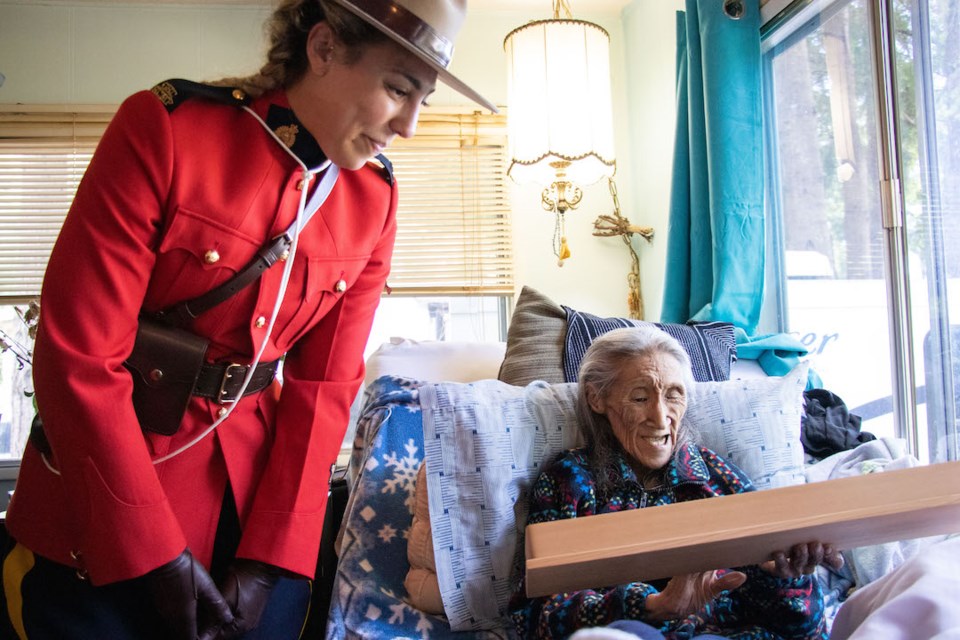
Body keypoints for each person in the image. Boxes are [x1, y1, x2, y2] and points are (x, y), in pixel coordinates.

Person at [1, 1, 495, 639]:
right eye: (398, 89)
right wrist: (151, 551)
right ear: (321, 49)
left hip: (252, 523)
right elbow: (79, 357)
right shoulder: (170, 130)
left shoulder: (373, 200)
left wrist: (273, 558)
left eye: (422, 99)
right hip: (101, 510)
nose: (410, 125)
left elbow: (324, 391)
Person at [509, 326, 844, 640]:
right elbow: (536, 617)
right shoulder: (571, 481)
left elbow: (807, 632)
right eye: (640, 398)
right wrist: (653, 606)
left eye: (673, 396)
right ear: (597, 399)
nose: (659, 416)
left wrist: (782, 580)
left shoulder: (716, 478)